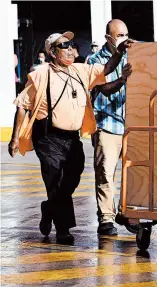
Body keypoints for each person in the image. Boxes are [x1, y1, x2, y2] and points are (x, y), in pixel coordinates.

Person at [8, 31, 133, 243]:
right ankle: (63, 229)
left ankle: (49, 209)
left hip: (72, 139)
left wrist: (119, 52)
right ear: (52, 53)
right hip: (47, 137)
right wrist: (14, 138)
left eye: (71, 44)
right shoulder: (40, 75)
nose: (70, 49)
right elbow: (22, 106)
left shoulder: (80, 70)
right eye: (64, 45)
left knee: (72, 178)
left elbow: (107, 68)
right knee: (55, 181)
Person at [88, 19, 136, 236]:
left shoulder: (134, 56)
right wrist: (123, 80)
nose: (124, 39)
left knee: (132, 172)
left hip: (131, 125)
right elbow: (104, 88)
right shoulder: (95, 60)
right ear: (108, 38)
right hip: (106, 123)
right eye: (119, 36)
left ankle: (125, 212)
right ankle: (106, 218)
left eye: (126, 34)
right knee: (106, 172)